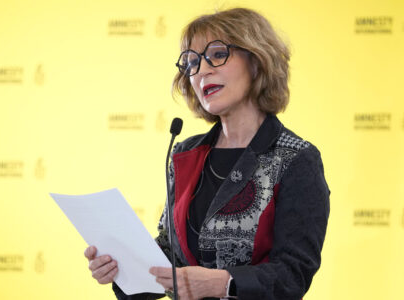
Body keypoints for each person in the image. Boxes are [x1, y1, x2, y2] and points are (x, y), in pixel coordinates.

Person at [84, 7, 330, 300]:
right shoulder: (186, 152)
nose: (201, 70)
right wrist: (122, 270)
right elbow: (169, 257)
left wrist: (222, 283)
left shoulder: (296, 158)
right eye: (191, 62)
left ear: (257, 61)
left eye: (216, 54)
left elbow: (292, 276)